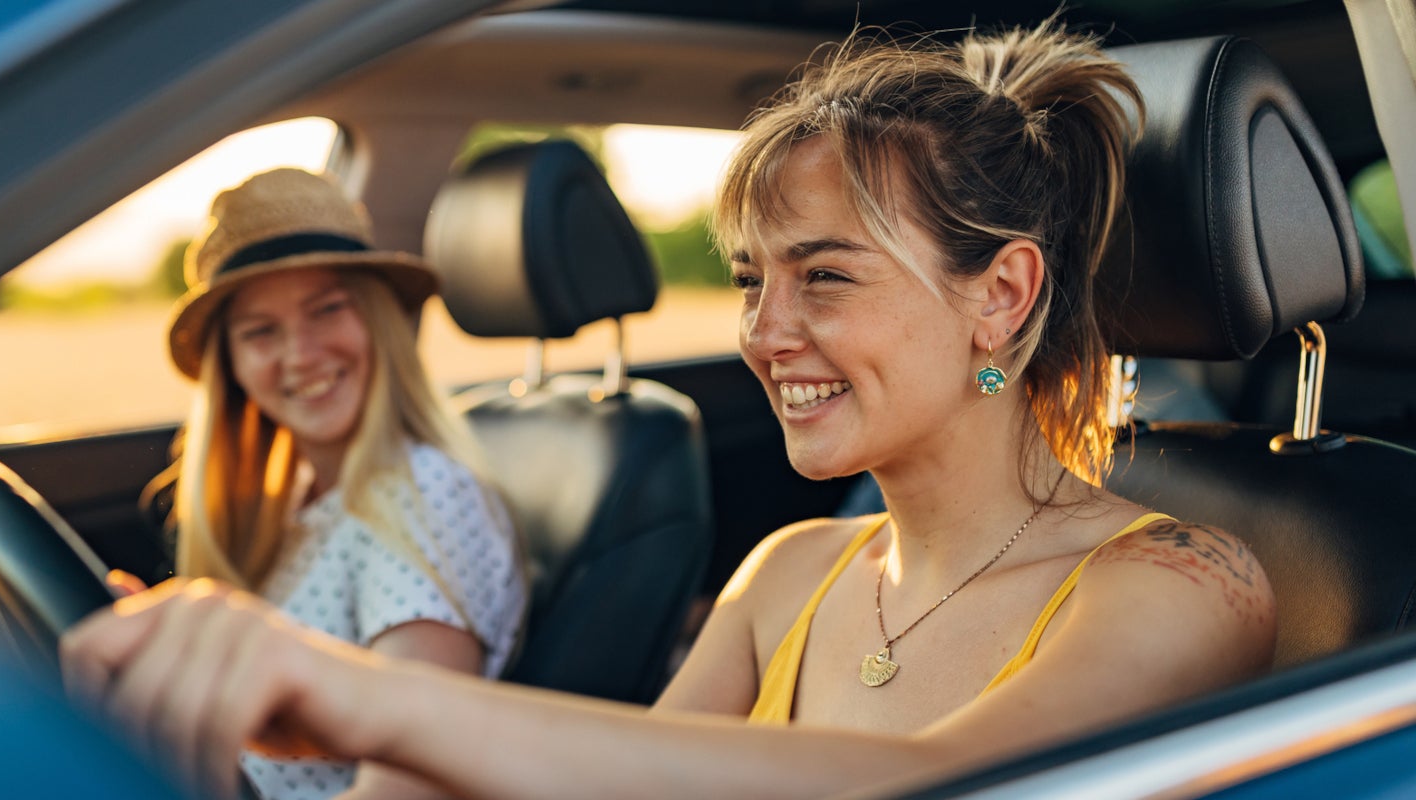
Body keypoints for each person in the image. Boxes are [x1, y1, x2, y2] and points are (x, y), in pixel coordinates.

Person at [63, 23, 1276, 800]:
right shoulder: (785, 572)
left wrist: (373, 696)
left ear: (1000, 295)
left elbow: (940, 781)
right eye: (751, 280)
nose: (764, 331)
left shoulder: (1183, 581)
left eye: (824, 276)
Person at [124, 167, 525, 800]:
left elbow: (409, 787)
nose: (301, 354)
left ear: (378, 321)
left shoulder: (420, 495)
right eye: (261, 331)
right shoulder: (293, 503)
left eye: (327, 309)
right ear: (232, 365)